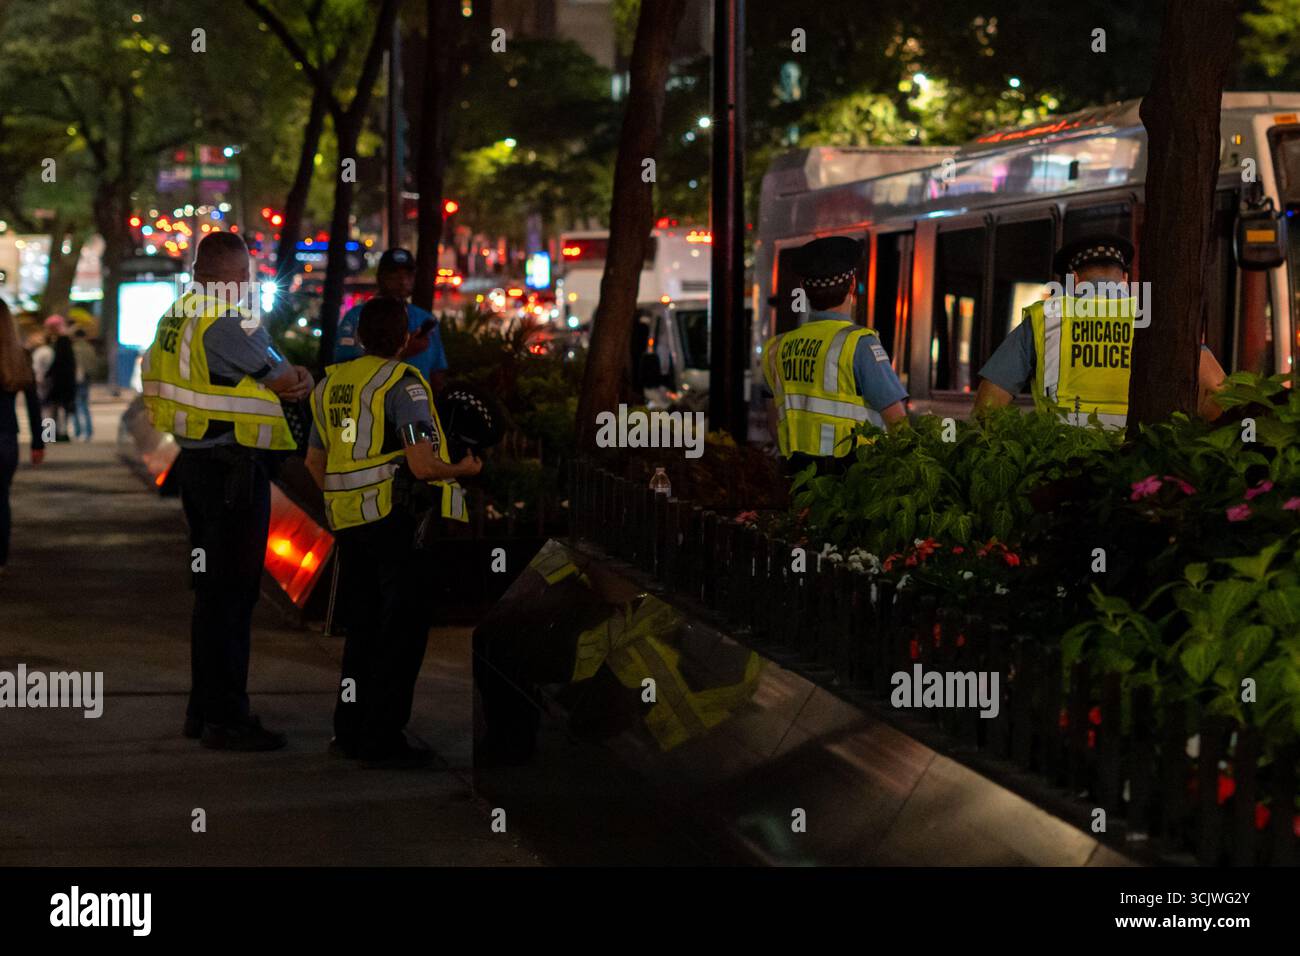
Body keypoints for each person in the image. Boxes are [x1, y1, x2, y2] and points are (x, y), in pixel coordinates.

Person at [141, 232, 314, 751]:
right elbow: (284, 380)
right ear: (232, 276)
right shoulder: (227, 321)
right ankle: (227, 719)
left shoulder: (178, 314)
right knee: (234, 598)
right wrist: (297, 377)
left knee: (210, 595)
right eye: (246, 276)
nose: (249, 285)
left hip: (197, 466)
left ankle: (203, 709)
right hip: (231, 473)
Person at [305, 296, 479, 767]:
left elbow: (314, 462)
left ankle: (350, 730)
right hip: (394, 521)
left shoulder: (330, 383)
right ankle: (383, 739)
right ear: (405, 338)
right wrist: (463, 466)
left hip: (349, 522)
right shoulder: (403, 383)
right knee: (401, 633)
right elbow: (422, 464)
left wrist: (345, 498)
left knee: (361, 631)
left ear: (358, 337)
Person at [975, 234, 1227, 425]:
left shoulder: (1045, 319)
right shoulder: (1159, 318)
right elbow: (1219, 394)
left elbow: (988, 406)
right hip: (1140, 471)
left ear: (1073, 279)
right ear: (1125, 279)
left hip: (1061, 471)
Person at [760, 235, 908, 473]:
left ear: (805, 291)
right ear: (852, 286)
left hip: (801, 482)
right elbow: (898, 423)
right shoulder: (859, 345)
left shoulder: (776, 349)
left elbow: (773, 422)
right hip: (855, 485)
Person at [335, 248, 449, 394]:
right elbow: (344, 369)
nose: (402, 281)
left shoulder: (425, 319)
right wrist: (404, 353)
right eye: (394, 274)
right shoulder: (358, 316)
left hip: (418, 408)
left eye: (408, 275)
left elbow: (437, 374)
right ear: (380, 277)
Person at [0, 299, 45, 577]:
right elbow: (33, 404)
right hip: (6, 439)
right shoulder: (21, 357)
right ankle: (0, 558)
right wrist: (38, 443)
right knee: (1, 499)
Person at [71, 326, 95, 441]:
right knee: (85, 405)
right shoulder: (90, 348)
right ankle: (88, 431)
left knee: (75, 405)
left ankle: (78, 431)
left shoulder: (74, 348)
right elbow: (94, 365)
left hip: (75, 379)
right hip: (87, 378)